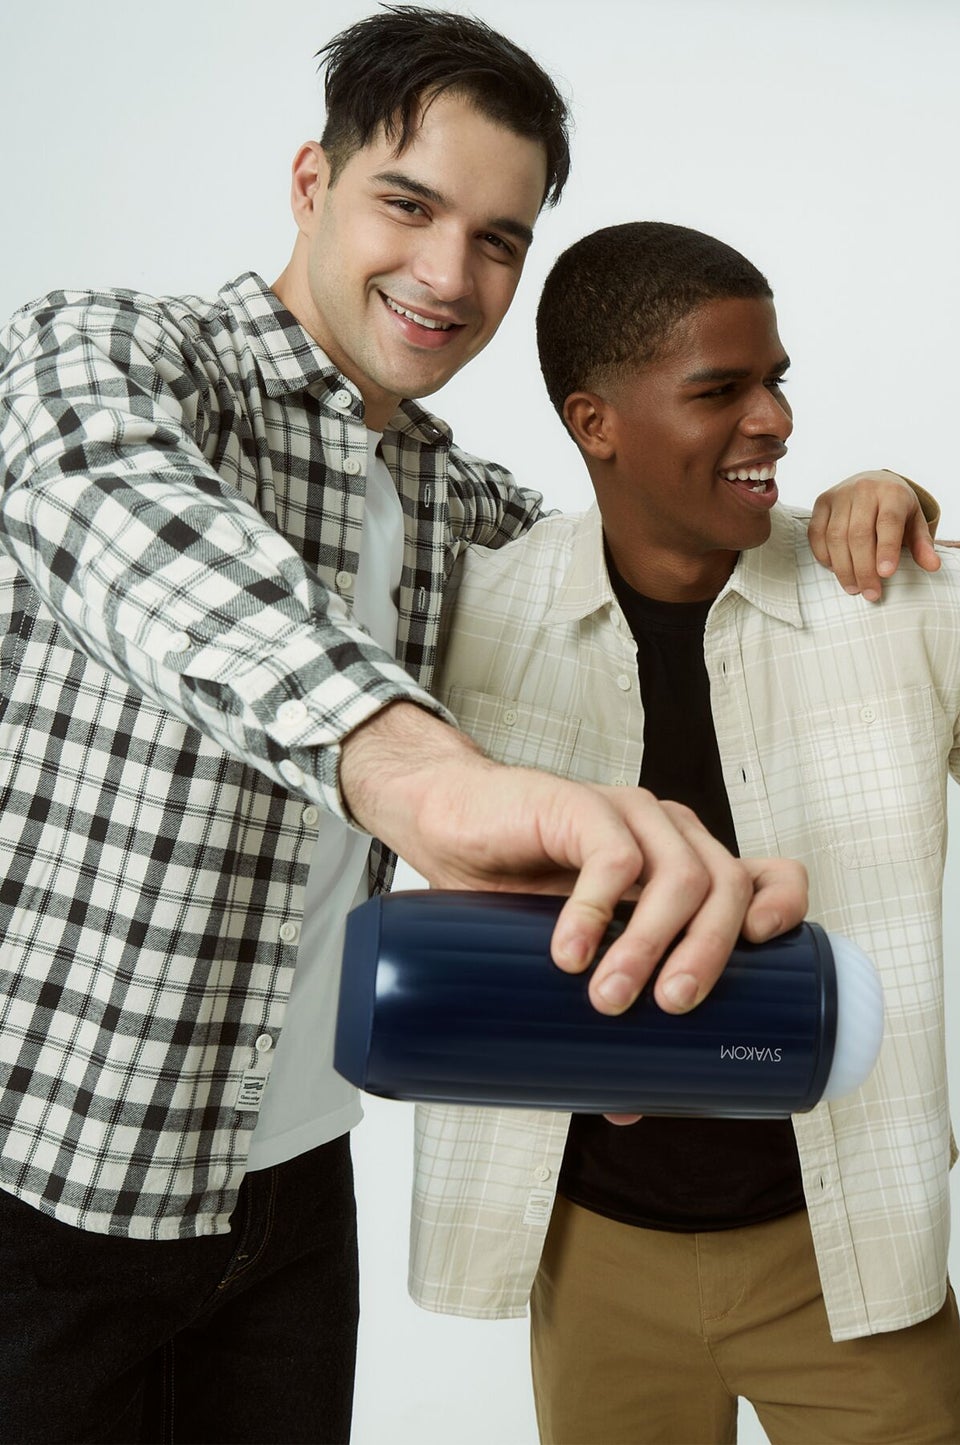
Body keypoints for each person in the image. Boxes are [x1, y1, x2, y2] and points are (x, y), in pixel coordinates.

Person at [0, 13, 816, 1442]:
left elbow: (647, 555)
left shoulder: (451, 495)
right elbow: (121, 517)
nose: (449, 275)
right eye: (408, 205)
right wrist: (414, 773)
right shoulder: (107, 356)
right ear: (310, 182)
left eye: (497, 239)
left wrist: (873, 548)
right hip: (50, 1178)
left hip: (293, 1182)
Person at [406, 220, 960, 1444]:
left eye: (776, 380)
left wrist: (939, 530)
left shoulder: (902, 602)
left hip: (847, 1253)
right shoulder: (470, 619)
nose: (775, 421)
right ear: (595, 422)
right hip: (593, 1256)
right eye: (719, 390)